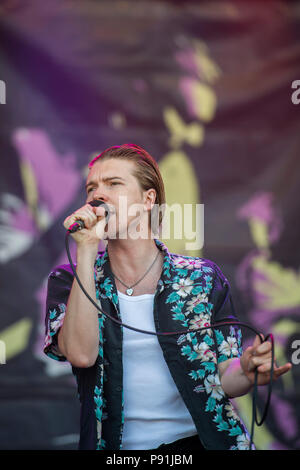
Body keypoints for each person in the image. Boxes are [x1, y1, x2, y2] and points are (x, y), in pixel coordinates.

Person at [44, 143, 292, 451]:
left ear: (148, 200)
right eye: (91, 187)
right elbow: (82, 355)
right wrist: (85, 248)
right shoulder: (68, 280)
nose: (98, 194)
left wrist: (246, 369)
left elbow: (223, 378)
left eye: (114, 184)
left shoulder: (201, 278)